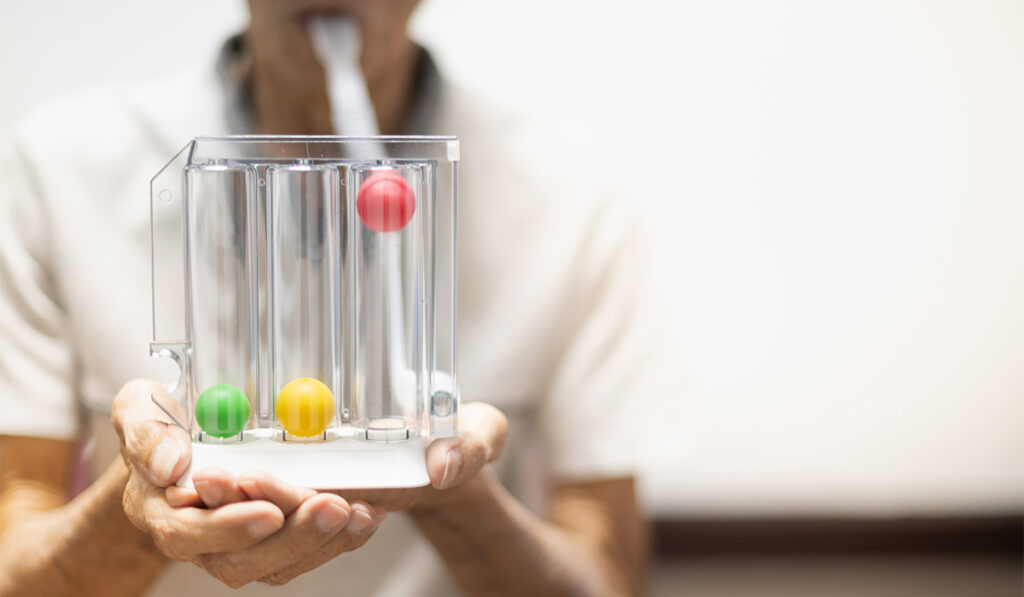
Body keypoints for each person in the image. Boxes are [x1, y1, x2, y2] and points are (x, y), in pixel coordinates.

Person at [0, 1, 657, 595]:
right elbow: (14, 555)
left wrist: (455, 495)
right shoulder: (60, 169)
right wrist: (144, 500)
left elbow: (608, 571)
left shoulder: (568, 189)